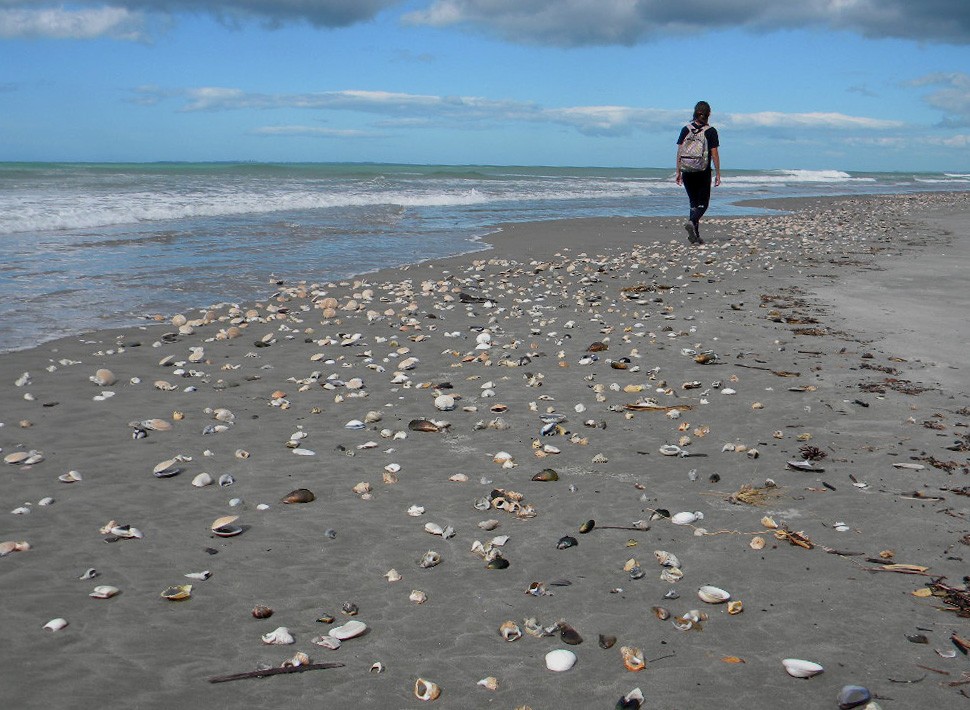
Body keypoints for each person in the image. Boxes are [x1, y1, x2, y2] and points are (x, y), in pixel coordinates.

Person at [675, 101, 720, 245]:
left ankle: (695, 235)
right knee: (703, 203)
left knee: (693, 203)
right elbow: (714, 153)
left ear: (695, 112)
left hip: (687, 169)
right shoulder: (711, 131)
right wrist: (718, 173)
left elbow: (680, 151)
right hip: (702, 170)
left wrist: (678, 171)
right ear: (709, 114)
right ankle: (692, 221)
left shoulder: (685, 129)